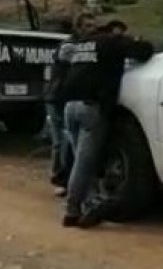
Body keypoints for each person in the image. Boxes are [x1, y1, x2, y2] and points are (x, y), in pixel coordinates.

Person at [58, 26, 154, 228]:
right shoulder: (112, 42)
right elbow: (144, 50)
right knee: (85, 164)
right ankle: (72, 211)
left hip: (70, 107)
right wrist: (134, 39)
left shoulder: (83, 43)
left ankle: (88, 205)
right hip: (90, 108)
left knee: (81, 162)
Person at [44, 13, 97, 196]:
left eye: (94, 26)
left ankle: (70, 179)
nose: (92, 29)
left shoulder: (85, 46)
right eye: (88, 26)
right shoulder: (69, 47)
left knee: (71, 142)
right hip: (58, 97)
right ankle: (60, 178)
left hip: (69, 98)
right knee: (61, 141)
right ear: (79, 28)